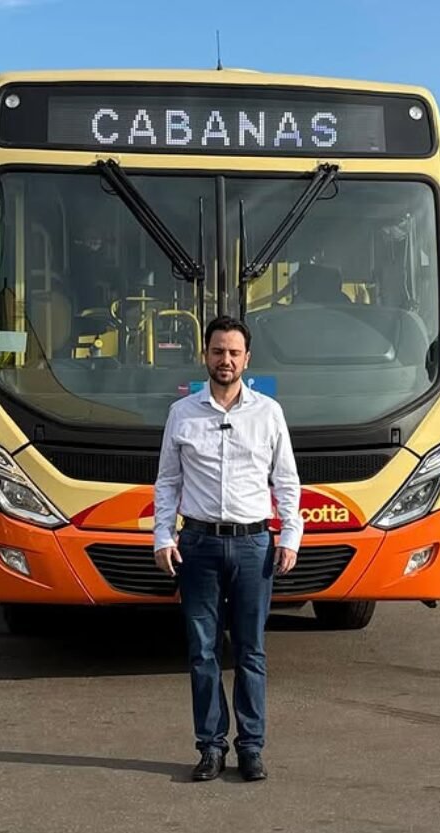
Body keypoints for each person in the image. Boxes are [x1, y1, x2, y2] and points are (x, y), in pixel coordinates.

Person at [152, 315, 302, 783]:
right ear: (206, 355)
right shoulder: (182, 415)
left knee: (252, 652)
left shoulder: (268, 413)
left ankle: (251, 748)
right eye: (218, 351)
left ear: (247, 359)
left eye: (234, 353)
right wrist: (162, 536)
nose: (226, 360)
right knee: (202, 652)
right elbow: (168, 482)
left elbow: (287, 482)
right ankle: (211, 748)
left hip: (255, 544)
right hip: (197, 545)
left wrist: (290, 535)